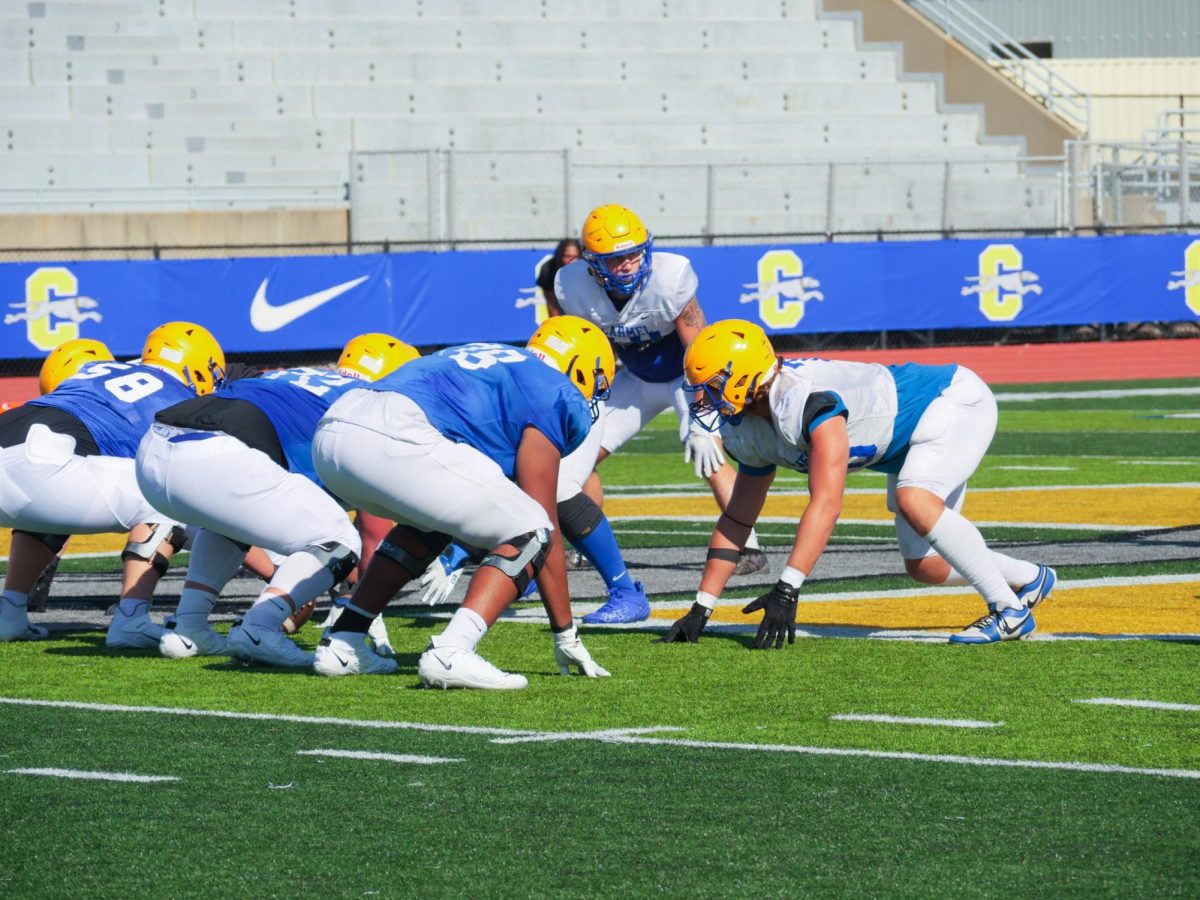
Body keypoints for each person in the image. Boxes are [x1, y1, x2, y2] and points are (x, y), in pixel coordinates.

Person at [661, 319, 1057, 648]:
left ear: (743, 377)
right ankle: (1030, 577)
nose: (703, 400)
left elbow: (827, 503)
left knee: (915, 500)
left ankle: (1009, 610)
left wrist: (788, 586)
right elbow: (738, 519)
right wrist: (702, 607)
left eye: (712, 386)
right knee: (926, 567)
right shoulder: (748, 426)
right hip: (900, 442)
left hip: (948, 403)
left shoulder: (805, 400)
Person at [310, 316, 613, 688]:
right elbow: (542, 517)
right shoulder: (552, 389)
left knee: (432, 524)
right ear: (581, 370)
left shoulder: (498, 358)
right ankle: (452, 650)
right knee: (531, 527)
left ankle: (343, 642)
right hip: (394, 434)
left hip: (334, 429)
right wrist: (565, 632)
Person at [135, 333, 418, 666]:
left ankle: (188, 627)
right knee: (339, 540)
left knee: (230, 523)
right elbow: (369, 514)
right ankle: (260, 627)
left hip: (155, 445)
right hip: (221, 451)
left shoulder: (290, 375)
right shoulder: (370, 402)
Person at [552, 205, 769, 615]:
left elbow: (699, 348)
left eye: (635, 252)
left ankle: (750, 546)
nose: (630, 263)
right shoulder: (572, 285)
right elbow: (584, 348)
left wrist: (703, 419)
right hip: (633, 379)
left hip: (684, 376)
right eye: (618, 257)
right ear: (593, 263)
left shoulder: (670, 278)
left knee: (706, 449)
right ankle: (570, 543)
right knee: (574, 451)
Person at [0, 324, 225, 646]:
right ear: (197, 365)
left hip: (18, 435)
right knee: (162, 493)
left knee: (45, 512)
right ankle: (131, 619)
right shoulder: (176, 399)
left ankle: (9, 612)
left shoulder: (98, 371)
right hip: (40, 462)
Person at [416, 319, 649, 623]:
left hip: (568, 410)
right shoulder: (512, 382)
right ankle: (534, 567)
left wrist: (459, 550)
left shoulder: (570, 395)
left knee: (559, 488)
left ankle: (625, 591)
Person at [537, 238, 582, 318]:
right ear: (559, 256)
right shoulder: (548, 270)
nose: (570, 260)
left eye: (575, 256)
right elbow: (553, 308)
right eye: (566, 256)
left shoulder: (587, 269)